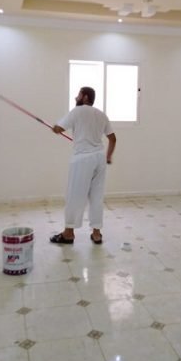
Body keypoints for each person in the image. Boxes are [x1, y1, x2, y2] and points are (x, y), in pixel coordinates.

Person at [50, 86, 116, 245]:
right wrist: (108, 156)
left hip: (82, 160)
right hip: (99, 159)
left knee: (74, 195)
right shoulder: (101, 114)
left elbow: (59, 129)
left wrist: (55, 127)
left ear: (85, 97)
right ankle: (96, 233)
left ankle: (68, 233)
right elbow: (113, 138)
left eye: (78, 95)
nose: (76, 97)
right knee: (96, 196)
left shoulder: (77, 111)